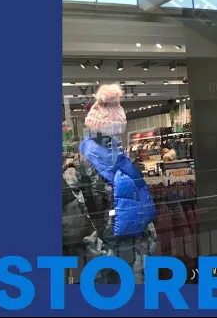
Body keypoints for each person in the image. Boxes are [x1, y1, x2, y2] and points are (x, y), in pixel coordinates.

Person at [62, 84, 157, 283]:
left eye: (117, 132)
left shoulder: (123, 163)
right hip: (102, 265)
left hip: (133, 255)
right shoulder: (79, 167)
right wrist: (103, 257)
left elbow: (140, 204)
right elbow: (75, 224)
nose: (114, 139)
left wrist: (146, 241)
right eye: (108, 133)